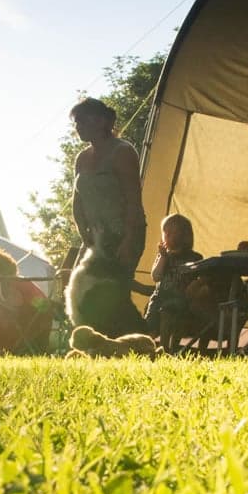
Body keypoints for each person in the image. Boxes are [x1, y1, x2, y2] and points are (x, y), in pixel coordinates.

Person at [65, 97, 148, 336]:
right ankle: (100, 342)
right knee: (84, 290)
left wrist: (129, 239)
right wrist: (84, 234)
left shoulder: (122, 152)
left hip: (122, 234)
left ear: (101, 121)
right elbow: (77, 200)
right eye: (76, 122)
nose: (78, 126)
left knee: (113, 291)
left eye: (82, 120)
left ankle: (138, 339)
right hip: (95, 239)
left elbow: (133, 199)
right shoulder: (82, 157)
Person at [0, 247, 54, 353]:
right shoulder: (20, 282)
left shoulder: (11, 287)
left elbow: (17, 305)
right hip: (38, 329)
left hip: (27, 331)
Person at [144, 213, 204, 346]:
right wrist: (163, 258)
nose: (167, 236)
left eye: (172, 233)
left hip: (181, 298)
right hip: (160, 297)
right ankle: (149, 345)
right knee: (151, 320)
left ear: (184, 236)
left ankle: (170, 348)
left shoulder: (194, 257)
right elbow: (156, 276)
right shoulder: (164, 256)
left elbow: (200, 279)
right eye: (165, 233)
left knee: (172, 315)